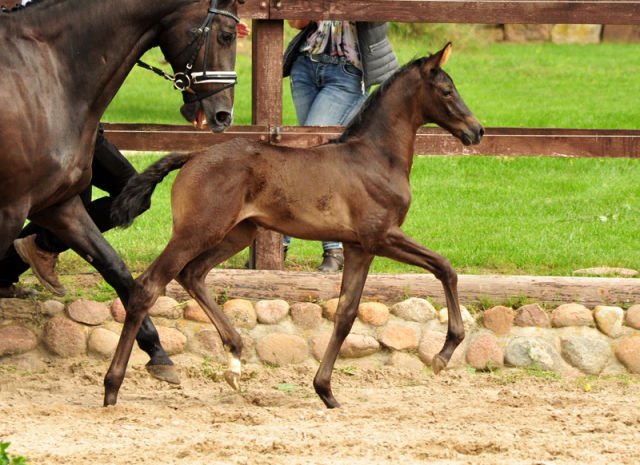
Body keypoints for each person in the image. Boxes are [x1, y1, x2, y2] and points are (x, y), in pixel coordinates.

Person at [1, 21, 252, 299]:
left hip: (78, 121)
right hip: (59, 120)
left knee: (125, 194)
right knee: (107, 196)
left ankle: (30, 253)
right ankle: (27, 256)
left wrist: (210, 27)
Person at [282, 20, 399, 271]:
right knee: (318, 157)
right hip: (305, 64)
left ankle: (282, 242)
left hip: (348, 70)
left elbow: (374, 16)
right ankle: (331, 249)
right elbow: (296, 21)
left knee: (309, 156)